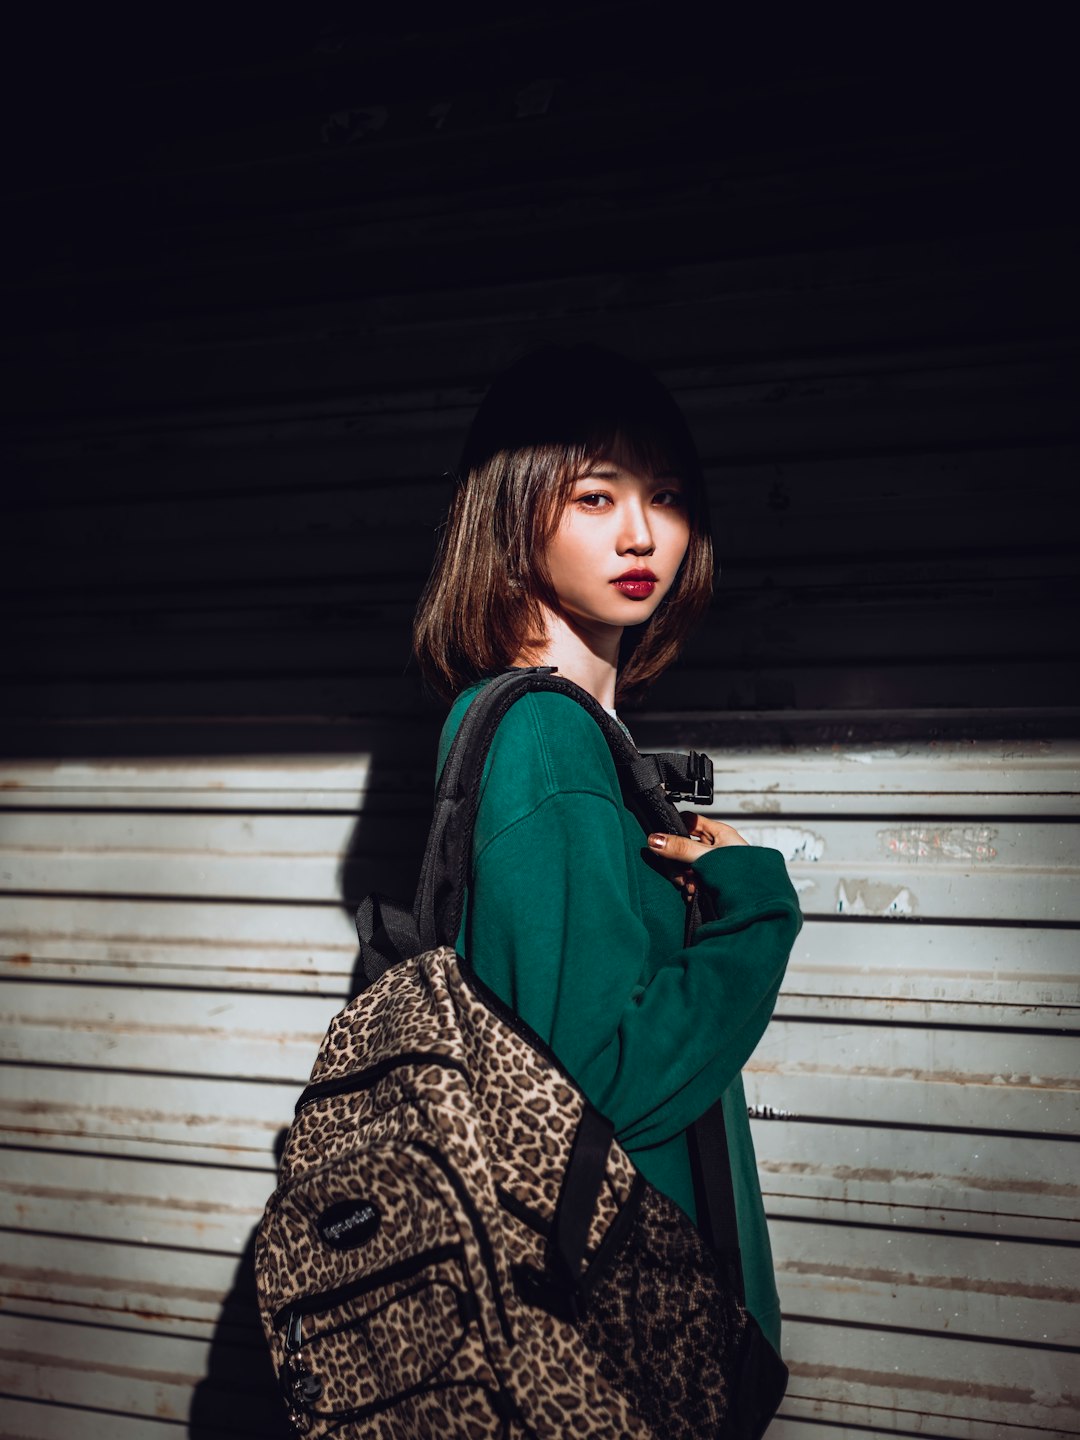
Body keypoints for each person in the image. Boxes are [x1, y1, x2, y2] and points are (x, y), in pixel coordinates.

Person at [412, 344, 803, 1360]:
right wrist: (755, 914)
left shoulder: (544, 730)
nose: (642, 534)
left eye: (666, 495)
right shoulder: (547, 743)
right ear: (513, 512)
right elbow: (599, 1086)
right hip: (618, 1319)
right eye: (596, 496)